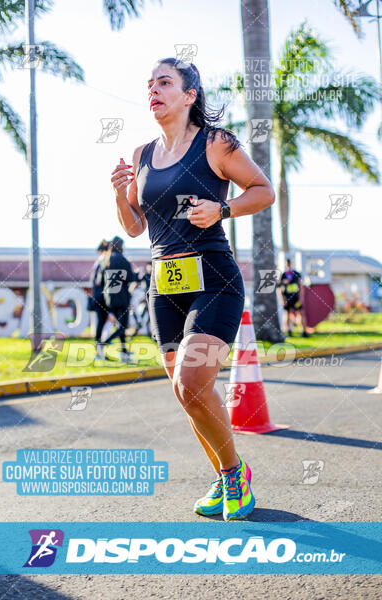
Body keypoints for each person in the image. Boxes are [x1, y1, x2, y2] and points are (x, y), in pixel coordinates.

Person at [110, 58, 275, 521]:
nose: (154, 90)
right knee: (188, 394)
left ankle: (234, 475)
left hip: (214, 281)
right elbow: (136, 227)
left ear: (189, 95)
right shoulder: (142, 155)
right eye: (150, 84)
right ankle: (227, 477)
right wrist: (120, 195)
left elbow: (263, 190)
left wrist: (221, 211)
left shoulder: (214, 143)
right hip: (165, 287)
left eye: (165, 82)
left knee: (192, 382)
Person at [101, 235, 139, 361]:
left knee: (120, 326)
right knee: (123, 326)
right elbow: (130, 278)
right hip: (121, 297)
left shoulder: (107, 259)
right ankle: (103, 344)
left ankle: (124, 352)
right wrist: (138, 275)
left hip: (109, 297)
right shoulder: (123, 260)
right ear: (121, 246)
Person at [89, 239, 110, 360]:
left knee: (102, 323)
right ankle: (99, 351)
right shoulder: (103, 260)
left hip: (98, 296)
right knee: (102, 323)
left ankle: (100, 351)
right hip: (102, 297)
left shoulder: (98, 262)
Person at [279, 258, 309, 337]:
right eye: (287, 264)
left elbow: (301, 286)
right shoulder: (283, 275)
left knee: (301, 313)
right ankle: (289, 332)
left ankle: (304, 331)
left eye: (289, 264)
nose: (289, 265)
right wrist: (282, 299)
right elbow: (280, 288)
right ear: (286, 265)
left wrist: (301, 298)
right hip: (287, 298)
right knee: (287, 314)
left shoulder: (297, 274)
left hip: (296, 297)